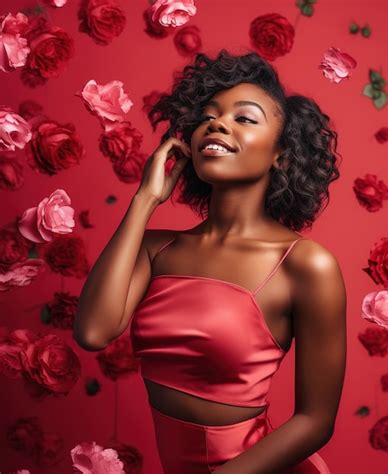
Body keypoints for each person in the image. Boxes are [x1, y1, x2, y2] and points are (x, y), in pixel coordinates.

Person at [74, 49, 347, 473]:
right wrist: (145, 200)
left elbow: (315, 421)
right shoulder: (155, 249)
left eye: (246, 118)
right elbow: (93, 331)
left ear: (282, 155)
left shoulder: (306, 264)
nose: (216, 124)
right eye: (208, 115)